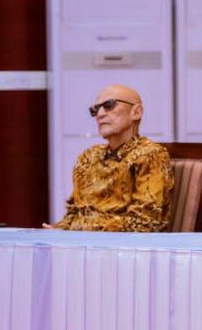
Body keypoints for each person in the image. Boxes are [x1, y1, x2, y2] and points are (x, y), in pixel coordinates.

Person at [51, 84, 173, 232]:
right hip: (82, 240)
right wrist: (58, 230)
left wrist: (83, 229)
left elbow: (145, 223)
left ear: (136, 112)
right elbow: (75, 212)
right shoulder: (89, 157)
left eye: (109, 105)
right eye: (95, 109)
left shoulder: (149, 154)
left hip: (123, 244)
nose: (99, 114)